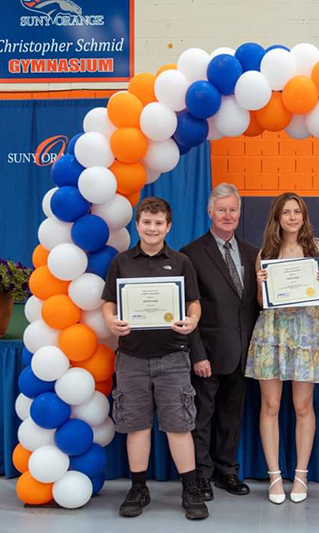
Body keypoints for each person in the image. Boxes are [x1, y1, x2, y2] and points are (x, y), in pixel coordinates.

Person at [101, 197, 209, 521]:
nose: (152, 228)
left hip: (173, 357)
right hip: (131, 358)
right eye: (146, 222)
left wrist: (191, 321)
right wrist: (110, 320)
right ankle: (138, 488)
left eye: (158, 223)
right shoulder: (121, 262)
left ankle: (190, 488)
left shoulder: (180, 262)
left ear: (168, 226)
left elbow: (194, 303)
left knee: (179, 426)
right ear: (137, 225)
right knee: (137, 427)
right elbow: (108, 302)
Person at [245, 192, 319, 505]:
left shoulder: (317, 248)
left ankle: (301, 474)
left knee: (303, 406)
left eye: (297, 212)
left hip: (306, 330)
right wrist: (262, 283)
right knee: (270, 406)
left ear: (304, 216)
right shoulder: (265, 252)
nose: (292, 217)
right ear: (277, 218)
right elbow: (259, 301)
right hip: (272, 330)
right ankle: (273, 476)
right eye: (286, 212)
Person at [180, 184, 259, 501]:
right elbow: (189, 309)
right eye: (222, 210)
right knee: (202, 417)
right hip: (207, 356)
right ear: (210, 213)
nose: (228, 216)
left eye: (233, 210)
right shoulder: (191, 254)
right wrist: (197, 353)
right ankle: (200, 476)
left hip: (243, 353)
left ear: (239, 213)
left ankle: (227, 471)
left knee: (232, 417)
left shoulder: (253, 253)